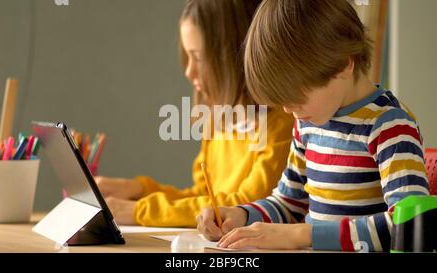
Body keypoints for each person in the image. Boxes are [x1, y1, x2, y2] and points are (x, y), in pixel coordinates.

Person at [197, 0, 429, 252]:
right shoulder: (306, 124)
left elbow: (408, 226)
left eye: (296, 97)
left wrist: (303, 234)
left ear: (344, 64)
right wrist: (240, 215)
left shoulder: (389, 126)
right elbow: (289, 203)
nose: (288, 110)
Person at [95, 0, 294, 227]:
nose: (189, 71)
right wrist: (139, 190)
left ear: (232, 54)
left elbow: (245, 205)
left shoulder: (282, 122)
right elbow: (204, 197)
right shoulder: (218, 120)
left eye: (198, 57)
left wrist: (142, 210)